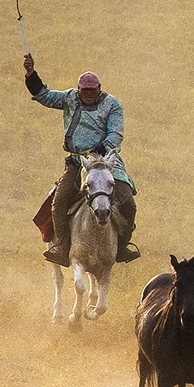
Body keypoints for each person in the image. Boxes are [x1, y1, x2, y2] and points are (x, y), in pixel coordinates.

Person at [24, 55, 141, 265]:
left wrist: (100, 149)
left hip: (106, 162)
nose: (87, 94)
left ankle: (122, 247)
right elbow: (45, 96)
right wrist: (32, 74)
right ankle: (63, 247)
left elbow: (116, 135)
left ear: (99, 89)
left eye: (92, 91)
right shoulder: (70, 98)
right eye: (84, 90)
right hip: (77, 163)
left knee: (128, 202)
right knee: (58, 204)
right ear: (78, 89)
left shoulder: (112, 105)